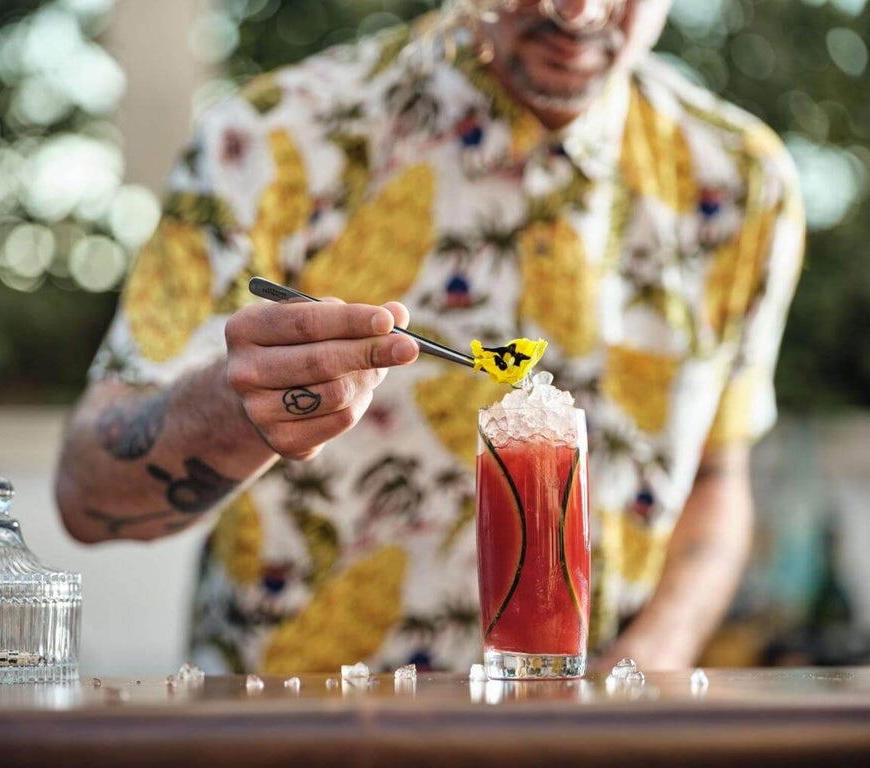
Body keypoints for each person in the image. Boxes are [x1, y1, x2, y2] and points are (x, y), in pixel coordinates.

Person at [55, 0, 804, 674]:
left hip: (587, 745)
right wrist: (231, 409)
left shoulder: (741, 182)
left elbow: (715, 476)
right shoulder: (272, 136)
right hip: (298, 732)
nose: (577, 11)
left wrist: (646, 666)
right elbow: (87, 497)